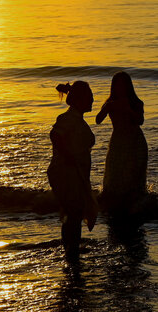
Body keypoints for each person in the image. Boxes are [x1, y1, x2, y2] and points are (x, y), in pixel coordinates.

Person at [48, 81, 99, 258]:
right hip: (66, 173)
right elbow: (55, 135)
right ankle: (71, 251)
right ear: (79, 99)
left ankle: (71, 248)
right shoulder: (68, 118)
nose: (93, 100)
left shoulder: (75, 119)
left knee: (74, 213)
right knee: (74, 213)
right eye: (89, 96)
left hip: (75, 173)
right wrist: (68, 155)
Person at [96, 71, 148, 216]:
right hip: (118, 142)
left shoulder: (136, 102)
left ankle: (134, 207)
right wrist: (106, 108)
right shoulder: (110, 103)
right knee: (116, 174)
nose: (120, 88)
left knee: (134, 175)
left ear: (128, 86)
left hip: (135, 141)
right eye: (117, 85)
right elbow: (98, 120)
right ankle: (114, 207)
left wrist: (128, 110)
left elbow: (140, 121)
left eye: (123, 85)